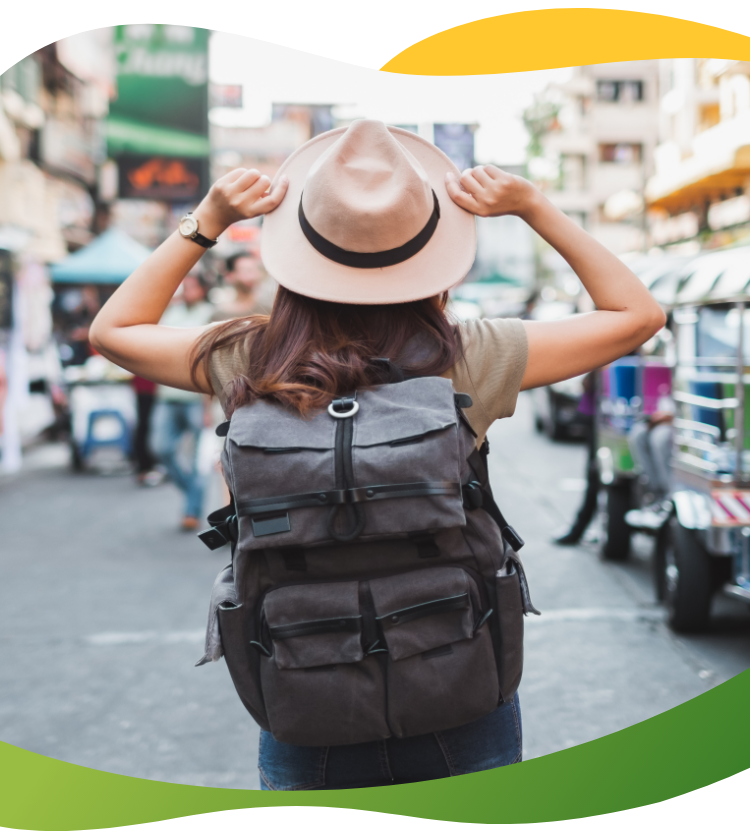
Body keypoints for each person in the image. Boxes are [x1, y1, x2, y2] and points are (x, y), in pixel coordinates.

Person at [89, 120, 665, 790]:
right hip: (459, 680)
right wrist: (535, 207)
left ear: (299, 248)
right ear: (430, 254)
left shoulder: (249, 358)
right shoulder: (471, 354)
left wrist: (207, 220)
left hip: (306, 691)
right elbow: (637, 315)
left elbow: (114, 330)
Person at [149, 272, 215, 531]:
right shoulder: (171, 313)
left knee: (200, 459)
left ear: (202, 289)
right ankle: (191, 492)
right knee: (161, 448)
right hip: (167, 395)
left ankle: (192, 509)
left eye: (191, 286)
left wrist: (210, 404)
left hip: (196, 398)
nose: (186, 290)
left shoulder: (210, 313)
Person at [552, 370, 599, 545]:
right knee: (595, 474)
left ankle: (580, 529)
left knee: (595, 475)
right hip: (598, 413)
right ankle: (581, 528)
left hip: (606, 415)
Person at [210, 250, 277, 321]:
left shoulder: (269, 310)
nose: (253, 276)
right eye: (246, 271)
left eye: (255, 270)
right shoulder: (219, 316)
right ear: (229, 276)